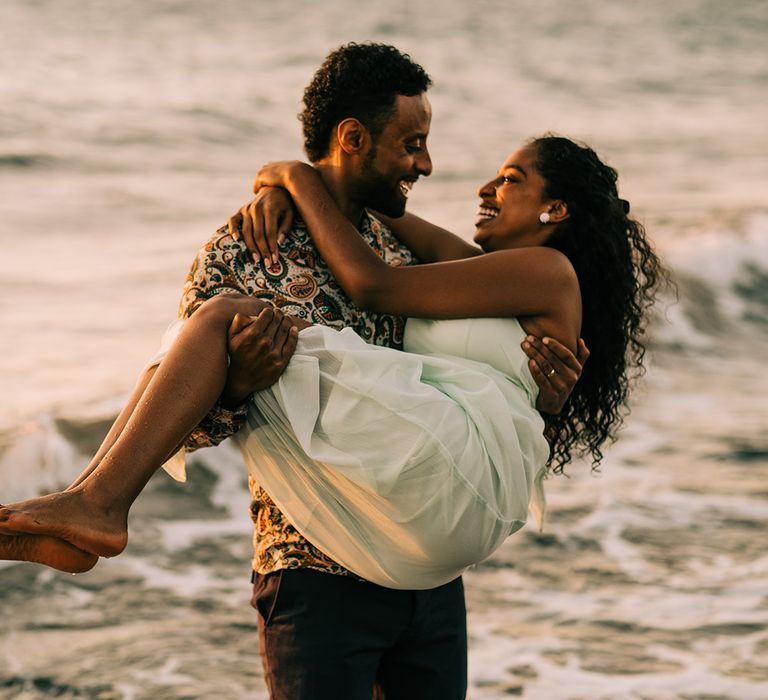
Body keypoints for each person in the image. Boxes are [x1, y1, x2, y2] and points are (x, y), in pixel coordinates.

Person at [0, 43, 594, 699]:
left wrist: (551, 391)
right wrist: (236, 387)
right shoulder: (244, 247)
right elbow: (180, 424)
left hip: (425, 576)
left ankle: (94, 502)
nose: (425, 165)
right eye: (412, 144)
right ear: (353, 138)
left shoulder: (405, 251)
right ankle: (94, 503)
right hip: (316, 568)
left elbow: (476, 379)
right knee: (215, 325)